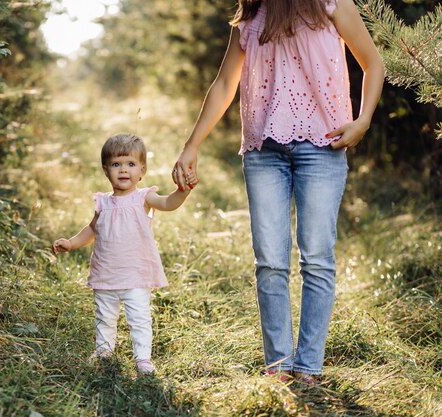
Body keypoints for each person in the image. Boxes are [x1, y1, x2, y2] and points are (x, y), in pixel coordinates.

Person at [172, 0, 384, 383]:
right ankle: (280, 367)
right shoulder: (251, 17)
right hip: (262, 152)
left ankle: (308, 367)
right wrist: (192, 145)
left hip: (323, 148)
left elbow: (373, 63)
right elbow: (224, 85)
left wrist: (363, 120)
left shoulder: (331, 5)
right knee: (270, 261)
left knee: (316, 256)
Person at [53, 133, 194, 375]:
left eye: (130, 164)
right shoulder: (103, 203)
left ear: (142, 169)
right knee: (105, 316)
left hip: (136, 273)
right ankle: (104, 351)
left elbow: (168, 203)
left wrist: (184, 190)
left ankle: (143, 359)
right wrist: (72, 243)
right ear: (106, 170)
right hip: (106, 272)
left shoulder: (144, 198)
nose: (123, 170)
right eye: (116, 164)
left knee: (138, 318)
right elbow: (91, 230)